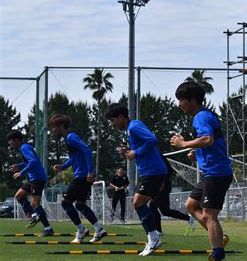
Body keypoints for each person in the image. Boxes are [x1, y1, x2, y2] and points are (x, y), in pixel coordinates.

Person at [170, 81, 232, 261]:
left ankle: (218, 253)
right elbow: (210, 143)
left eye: (182, 100)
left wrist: (183, 144)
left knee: (209, 214)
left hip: (217, 173)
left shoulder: (201, 117)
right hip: (209, 173)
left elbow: (208, 139)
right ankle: (219, 237)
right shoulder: (202, 116)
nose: (179, 104)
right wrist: (196, 153)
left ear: (193, 100)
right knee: (190, 205)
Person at [105, 103, 168, 256]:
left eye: (112, 120)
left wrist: (135, 151)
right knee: (143, 204)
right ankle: (154, 236)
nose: (112, 124)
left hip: (153, 171)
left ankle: (154, 238)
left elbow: (152, 140)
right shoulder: (129, 130)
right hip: (149, 171)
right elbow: (139, 150)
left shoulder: (133, 126)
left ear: (120, 117)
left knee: (138, 203)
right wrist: (127, 152)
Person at [50, 114, 107, 243]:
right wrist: (63, 166)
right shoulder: (68, 138)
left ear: (60, 126)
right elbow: (75, 157)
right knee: (80, 205)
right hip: (82, 174)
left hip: (82, 175)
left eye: (54, 127)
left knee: (66, 203)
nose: (53, 130)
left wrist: (90, 172)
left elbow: (87, 150)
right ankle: (99, 229)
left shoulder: (71, 137)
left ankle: (81, 230)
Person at [7, 130, 54, 236]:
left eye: (10, 141)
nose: (10, 144)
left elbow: (33, 161)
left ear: (15, 140)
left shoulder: (24, 148)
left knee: (35, 203)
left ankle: (48, 228)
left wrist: (21, 172)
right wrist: (19, 165)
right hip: (33, 179)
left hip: (38, 178)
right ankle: (34, 215)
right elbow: (28, 161)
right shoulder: (24, 147)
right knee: (18, 196)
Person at [149, 156, 196, 234]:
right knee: (165, 211)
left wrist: (163, 183)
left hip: (163, 186)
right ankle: (188, 218)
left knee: (152, 207)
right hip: (156, 185)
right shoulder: (147, 158)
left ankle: (158, 231)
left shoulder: (158, 156)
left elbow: (169, 170)